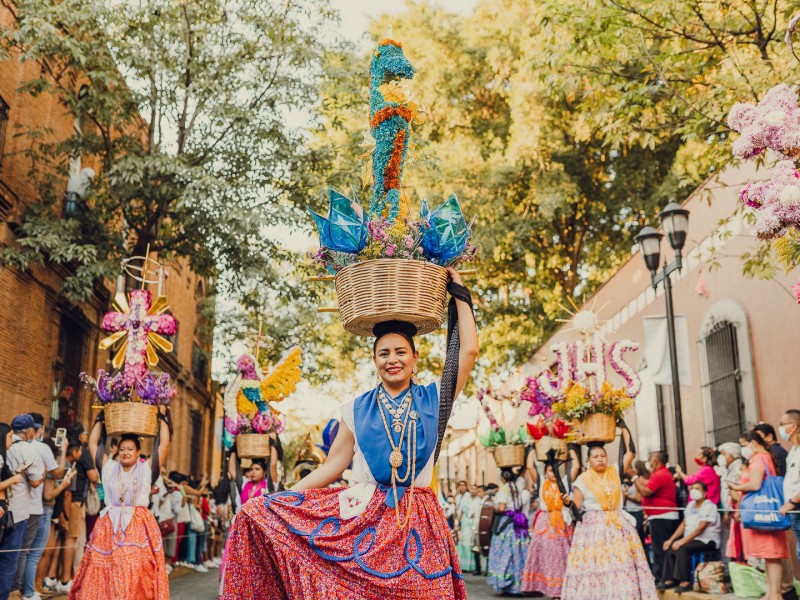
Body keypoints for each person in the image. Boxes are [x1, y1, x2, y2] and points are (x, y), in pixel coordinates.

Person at [222, 269, 478, 599]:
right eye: (383, 353)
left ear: (415, 358)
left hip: (417, 517)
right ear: (374, 361)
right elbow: (332, 466)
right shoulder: (356, 408)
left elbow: (467, 351)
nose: (393, 359)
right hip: (364, 519)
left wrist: (459, 294)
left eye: (400, 352)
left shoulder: (434, 398)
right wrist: (282, 499)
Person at [69, 404, 172, 599]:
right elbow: (93, 445)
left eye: (130, 449)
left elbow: (163, 445)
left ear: (138, 452)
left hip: (137, 525)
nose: (125, 452)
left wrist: (163, 418)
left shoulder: (146, 470)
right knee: (105, 570)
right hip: (109, 526)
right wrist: (100, 419)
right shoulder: (109, 468)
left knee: (134, 571)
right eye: (123, 449)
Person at [561, 442, 657, 600]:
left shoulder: (614, 472)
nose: (600, 459)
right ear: (589, 461)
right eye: (595, 456)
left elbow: (630, 453)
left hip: (618, 525)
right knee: (596, 565)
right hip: (593, 529)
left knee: (622, 563)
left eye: (603, 456)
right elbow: (576, 507)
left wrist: (622, 426)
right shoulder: (582, 480)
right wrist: (567, 503)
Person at [728, 430, 788, 600]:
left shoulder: (759, 459)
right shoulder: (762, 457)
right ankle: (771, 593)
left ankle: (776, 594)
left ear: (753, 443)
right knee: (769, 557)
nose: (742, 449)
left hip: (765, 512)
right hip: (764, 512)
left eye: (743, 445)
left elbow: (755, 484)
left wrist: (736, 487)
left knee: (772, 555)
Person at [14, 413, 67, 600]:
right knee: (32, 553)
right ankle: (26, 591)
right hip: (37, 507)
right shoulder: (42, 448)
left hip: (18, 505)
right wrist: (63, 451)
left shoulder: (15, 446)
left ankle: (23, 589)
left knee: (20, 550)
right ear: (39, 429)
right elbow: (57, 472)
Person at [0, 415, 45, 600]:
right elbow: (35, 482)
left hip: (7, 509)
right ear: (29, 431)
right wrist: (42, 476)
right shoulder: (27, 449)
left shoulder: (6, 450)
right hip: (15, 513)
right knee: (9, 560)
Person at [521, 461, 573, 598]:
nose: (554, 474)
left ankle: (562, 588)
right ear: (545, 472)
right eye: (550, 471)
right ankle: (548, 588)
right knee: (547, 555)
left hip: (562, 522)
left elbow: (576, 466)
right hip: (545, 522)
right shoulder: (541, 484)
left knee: (563, 555)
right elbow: (530, 466)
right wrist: (532, 446)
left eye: (556, 470)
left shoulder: (564, 483)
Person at [658, 481, 721, 593]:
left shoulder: (709, 506)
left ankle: (685, 581)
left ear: (705, 493)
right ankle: (670, 579)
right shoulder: (690, 505)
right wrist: (671, 540)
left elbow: (701, 528)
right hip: (691, 539)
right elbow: (684, 524)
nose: (693, 491)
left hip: (707, 540)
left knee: (683, 549)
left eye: (697, 488)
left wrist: (682, 541)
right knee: (671, 547)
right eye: (692, 488)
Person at [633, 450, 679, 585]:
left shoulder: (660, 474)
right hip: (660, 515)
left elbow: (646, 492)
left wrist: (634, 479)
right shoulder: (662, 474)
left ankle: (663, 578)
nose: (648, 463)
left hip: (661, 516)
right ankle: (665, 577)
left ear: (655, 462)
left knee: (660, 549)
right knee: (661, 548)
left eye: (649, 460)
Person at [487, 468, 531, 595]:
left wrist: (495, 510)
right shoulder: (516, 488)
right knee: (517, 553)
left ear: (503, 478)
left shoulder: (504, 490)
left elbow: (502, 507)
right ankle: (517, 584)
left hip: (506, 523)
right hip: (516, 523)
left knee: (504, 552)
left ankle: (505, 583)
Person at [717, 441, 743, 563]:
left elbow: (736, 492)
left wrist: (733, 510)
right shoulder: (728, 469)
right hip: (730, 510)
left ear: (731, 455)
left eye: (723, 454)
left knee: (737, 541)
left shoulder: (738, 468)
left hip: (736, 510)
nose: (721, 457)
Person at [780, 410, 800, 559]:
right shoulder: (793, 450)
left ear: (793, 426)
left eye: (782, 424)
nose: (780, 428)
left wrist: (792, 502)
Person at [455, 483, 477, 573]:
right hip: (464, 523)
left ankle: (472, 566)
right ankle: (463, 565)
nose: (462, 487)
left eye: (464, 485)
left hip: (473, 522)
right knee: (463, 542)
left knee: (471, 542)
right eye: (460, 485)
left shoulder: (477, 499)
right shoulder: (460, 497)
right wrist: (458, 523)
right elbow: (460, 511)